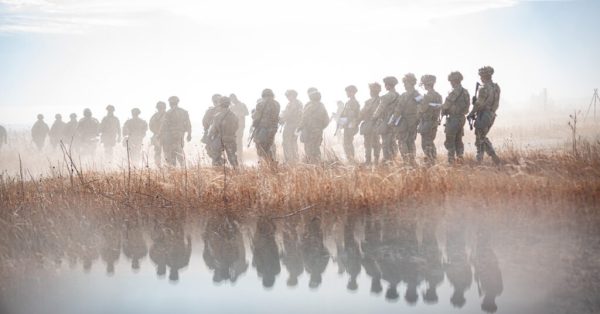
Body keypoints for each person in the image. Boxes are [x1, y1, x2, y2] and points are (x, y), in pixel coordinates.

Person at [468, 66, 501, 165]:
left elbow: (479, 104)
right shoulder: (496, 87)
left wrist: (471, 114)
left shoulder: (483, 88)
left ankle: (482, 159)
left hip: (484, 115)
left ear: (483, 76)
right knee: (481, 137)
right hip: (492, 114)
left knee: (480, 138)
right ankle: (488, 157)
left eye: (481, 75)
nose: (480, 77)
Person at [442, 71, 470, 164]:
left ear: (454, 81)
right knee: (459, 140)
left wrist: (442, 108)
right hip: (461, 119)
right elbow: (467, 109)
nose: (450, 83)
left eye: (451, 81)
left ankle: (451, 162)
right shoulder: (466, 92)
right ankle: (460, 159)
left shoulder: (454, 92)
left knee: (450, 141)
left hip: (453, 119)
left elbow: (446, 105)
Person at [373, 76, 400, 163]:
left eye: (386, 84)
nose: (385, 86)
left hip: (386, 121)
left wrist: (374, 116)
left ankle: (387, 160)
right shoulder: (398, 95)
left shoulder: (387, 96)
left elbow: (380, 108)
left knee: (385, 143)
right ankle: (394, 158)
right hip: (396, 121)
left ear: (389, 85)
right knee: (393, 141)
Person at [396, 73, 421, 166]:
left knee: (407, 141)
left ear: (411, 83)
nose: (405, 85)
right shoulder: (405, 95)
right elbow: (398, 109)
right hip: (405, 121)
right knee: (406, 141)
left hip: (410, 121)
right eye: (404, 83)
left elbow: (421, 106)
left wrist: (416, 119)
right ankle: (409, 161)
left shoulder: (415, 95)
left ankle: (409, 161)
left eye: (406, 83)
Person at [299, 88, 329, 163]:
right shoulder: (321, 106)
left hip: (310, 131)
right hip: (314, 131)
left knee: (311, 149)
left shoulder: (309, 106)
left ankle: (313, 165)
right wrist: (320, 128)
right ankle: (315, 164)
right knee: (314, 149)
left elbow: (304, 119)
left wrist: (300, 127)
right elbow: (326, 121)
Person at [207, 96, 239, 167]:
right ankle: (236, 172)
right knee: (232, 158)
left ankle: (218, 171)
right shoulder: (234, 116)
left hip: (220, 139)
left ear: (220, 104)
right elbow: (236, 127)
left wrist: (209, 139)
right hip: (231, 138)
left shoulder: (217, 116)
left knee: (215, 157)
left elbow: (213, 130)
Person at [160, 96, 192, 167]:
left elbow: (164, 125)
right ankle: (183, 168)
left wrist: (160, 135)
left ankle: (173, 169)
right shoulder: (184, 112)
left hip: (170, 136)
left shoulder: (168, 113)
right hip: (180, 135)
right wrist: (189, 134)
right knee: (179, 150)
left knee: (171, 154)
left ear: (170, 103)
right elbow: (188, 125)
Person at [418, 74, 443, 165]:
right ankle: (433, 159)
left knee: (425, 143)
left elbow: (422, 109)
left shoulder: (427, 96)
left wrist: (420, 102)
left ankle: (430, 161)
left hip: (427, 122)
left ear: (426, 84)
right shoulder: (438, 96)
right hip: (434, 121)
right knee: (431, 141)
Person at [251, 89, 280, 162]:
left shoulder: (260, 104)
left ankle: (269, 162)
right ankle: (271, 162)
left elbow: (255, 116)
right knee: (268, 145)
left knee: (261, 145)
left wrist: (253, 113)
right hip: (273, 128)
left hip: (263, 128)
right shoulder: (277, 104)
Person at [359, 83, 382, 165]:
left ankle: (368, 161)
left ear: (372, 91)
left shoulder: (369, 102)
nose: (370, 92)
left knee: (368, 144)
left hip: (370, 125)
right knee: (376, 144)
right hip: (377, 125)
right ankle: (376, 160)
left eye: (371, 90)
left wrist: (356, 120)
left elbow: (361, 113)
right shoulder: (382, 100)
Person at [280, 89, 303, 163]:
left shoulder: (294, 103)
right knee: (293, 142)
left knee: (287, 142)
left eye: (288, 95)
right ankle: (294, 159)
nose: (287, 97)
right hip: (294, 125)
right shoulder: (296, 103)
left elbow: (289, 114)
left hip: (291, 125)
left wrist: (282, 118)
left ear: (292, 95)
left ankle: (289, 160)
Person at [339, 85, 361, 162]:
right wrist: (341, 124)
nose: (347, 93)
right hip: (348, 125)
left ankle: (351, 159)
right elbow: (344, 114)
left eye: (348, 92)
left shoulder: (353, 102)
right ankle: (350, 159)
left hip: (351, 125)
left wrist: (343, 124)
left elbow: (350, 116)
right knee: (347, 143)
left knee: (348, 143)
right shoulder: (348, 102)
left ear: (352, 93)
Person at [230, 94, 249, 163]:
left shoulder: (242, 105)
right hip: (233, 126)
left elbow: (247, 113)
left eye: (232, 99)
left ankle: (240, 154)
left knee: (239, 140)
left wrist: (239, 114)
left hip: (240, 125)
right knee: (234, 140)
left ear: (235, 98)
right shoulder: (231, 107)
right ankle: (236, 154)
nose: (232, 101)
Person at [202, 94, 222, 162]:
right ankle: (219, 162)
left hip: (223, 134)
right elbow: (204, 122)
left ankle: (218, 164)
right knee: (209, 149)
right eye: (215, 101)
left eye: (218, 101)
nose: (216, 102)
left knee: (215, 151)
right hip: (213, 133)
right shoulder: (210, 111)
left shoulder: (226, 110)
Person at [149, 101, 166, 167]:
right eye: (159, 107)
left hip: (164, 136)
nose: (160, 109)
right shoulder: (167, 115)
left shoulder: (167, 115)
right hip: (159, 136)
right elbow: (150, 126)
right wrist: (156, 132)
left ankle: (164, 166)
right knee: (158, 152)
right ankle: (158, 166)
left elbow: (150, 126)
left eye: (160, 107)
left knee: (165, 152)